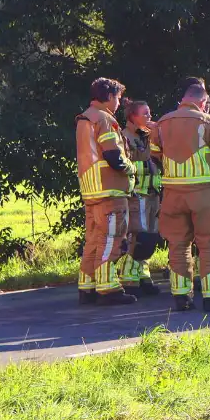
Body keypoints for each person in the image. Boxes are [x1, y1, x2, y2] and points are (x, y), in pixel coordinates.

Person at [150, 84, 210, 311]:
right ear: (203, 103)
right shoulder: (208, 122)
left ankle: (181, 296)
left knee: (178, 245)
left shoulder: (161, 123)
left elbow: (155, 156)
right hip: (204, 194)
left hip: (172, 194)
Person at [74, 78, 138, 306]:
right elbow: (113, 156)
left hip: (91, 190)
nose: (119, 103)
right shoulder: (104, 119)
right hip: (110, 190)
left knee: (93, 240)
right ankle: (108, 289)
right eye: (118, 98)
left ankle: (87, 286)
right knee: (111, 238)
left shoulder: (86, 117)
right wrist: (132, 168)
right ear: (109, 96)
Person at [117, 99, 162, 297]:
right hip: (137, 194)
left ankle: (143, 275)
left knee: (151, 237)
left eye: (149, 113)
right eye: (145, 114)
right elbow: (130, 163)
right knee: (139, 237)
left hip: (153, 192)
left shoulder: (148, 136)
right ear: (132, 117)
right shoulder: (125, 137)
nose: (149, 117)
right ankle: (128, 279)